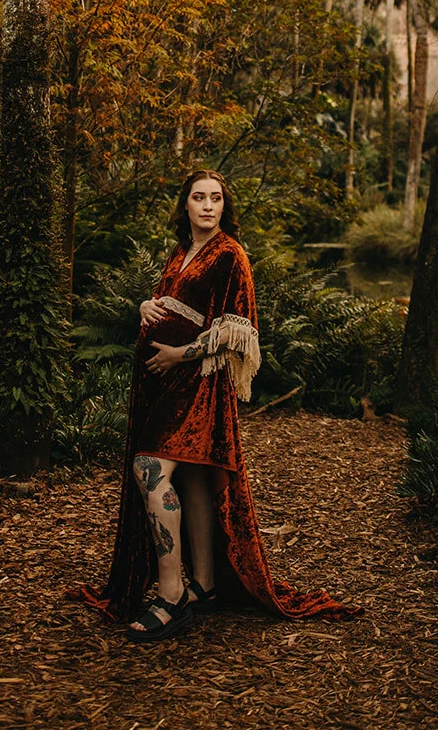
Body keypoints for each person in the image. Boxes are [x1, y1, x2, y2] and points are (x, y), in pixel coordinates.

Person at [71, 169, 358, 643]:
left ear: (225, 206)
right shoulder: (182, 252)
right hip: (161, 386)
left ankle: (171, 595)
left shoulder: (230, 256)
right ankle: (203, 584)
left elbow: (237, 331)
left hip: (197, 384)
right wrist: (147, 305)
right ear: (184, 204)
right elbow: (173, 302)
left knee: (149, 469)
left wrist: (176, 355)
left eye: (216, 198)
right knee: (195, 477)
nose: (208, 205)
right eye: (198, 197)